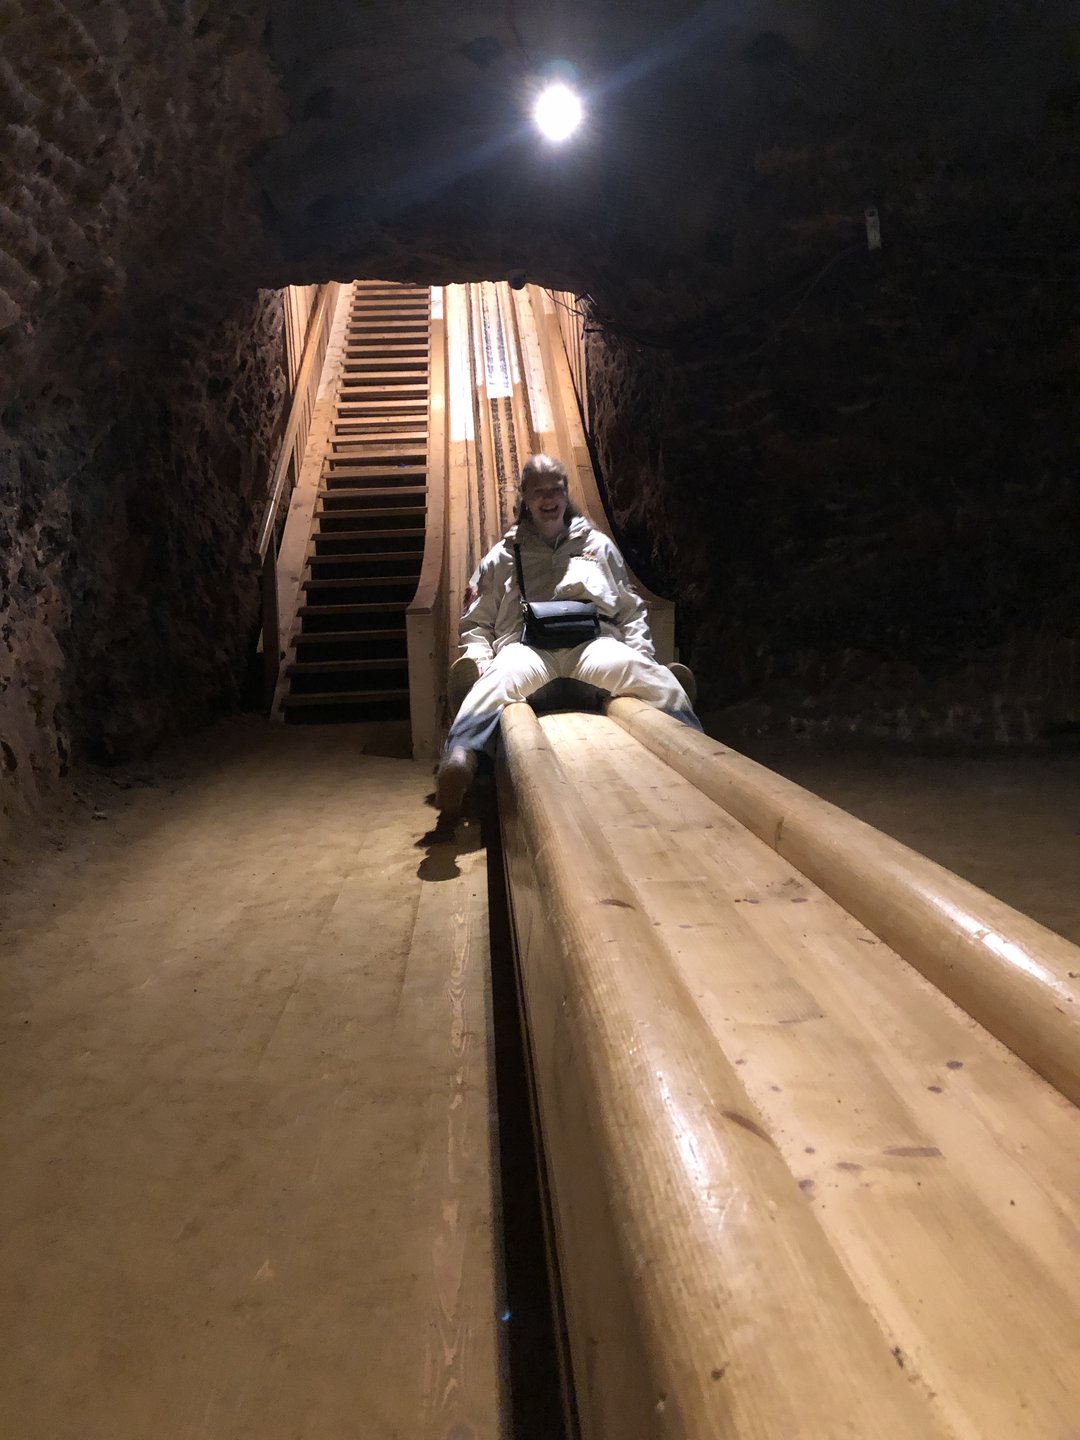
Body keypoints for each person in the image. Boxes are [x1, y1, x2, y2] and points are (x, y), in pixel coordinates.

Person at [435, 454, 701, 813]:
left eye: (555, 490)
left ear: (566, 493)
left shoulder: (598, 548)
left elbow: (630, 610)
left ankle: (697, 748)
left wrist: (640, 652)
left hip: (591, 645)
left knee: (650, 675)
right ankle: (460, 759)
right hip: (528, 649)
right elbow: (476, 622)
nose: (548, 499)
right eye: (538, 492)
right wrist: (480, 662)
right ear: (525, 498)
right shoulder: (502, 556)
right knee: (496, 682)